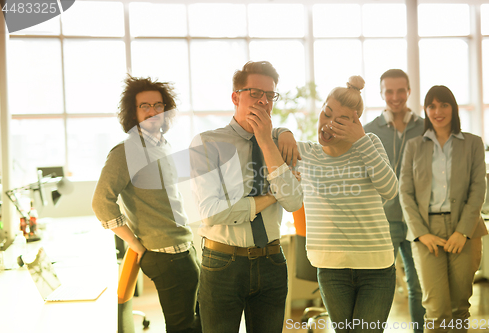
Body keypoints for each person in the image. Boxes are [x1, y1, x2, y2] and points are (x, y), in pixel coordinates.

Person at [189, 61, 303, 333]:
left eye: (270, 95)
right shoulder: (206, 143)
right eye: (255, 92)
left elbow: (294, 202)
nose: (264, 101)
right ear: (235, 97)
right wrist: (269, 198)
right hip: (222, 264)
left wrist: (267, 140)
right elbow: (212, 212)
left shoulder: (281, 143)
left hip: (273, 261)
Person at [277, 76, 398, 333]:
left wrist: (362, 140)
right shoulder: (305, 153)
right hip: (331, 268)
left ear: (355, 124)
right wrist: (282, 131)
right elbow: (260, 140)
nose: (328, 125)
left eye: (340, 121)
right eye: (326, 113)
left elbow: (390, 189)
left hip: (376, 266)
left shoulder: (370, 144)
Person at [92, 75, 201, 333]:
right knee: (183, 327)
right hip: (165, 256)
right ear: (133, 112)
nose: (153, 111)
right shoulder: (125, 151)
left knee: (199, 322)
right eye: (145, 106)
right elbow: (101, 202)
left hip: (185, 248)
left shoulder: (163, 145)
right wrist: (133, 242)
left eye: (159, 105)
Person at [399, 85, 488, 333]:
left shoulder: (472, 143)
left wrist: (463, 232)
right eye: (432, 106)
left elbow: (478, 189)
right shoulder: (414, 146)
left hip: (465, 229)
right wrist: (420, 232)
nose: (438, 111)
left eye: (444, 105)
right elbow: (405, 193)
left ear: (453, 108)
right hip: (427, 231)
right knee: (436, 310)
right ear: (426, 111)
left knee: (460, 308)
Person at [363, 69, 425, 332]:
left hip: (417, 221)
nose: (395, 97)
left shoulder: (425, 128)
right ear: (381, 93)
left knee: (418, 285)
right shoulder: (366, 131)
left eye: (401, 91)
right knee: (378, 289)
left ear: (409, 91)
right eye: (389, 91)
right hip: (381, 221)